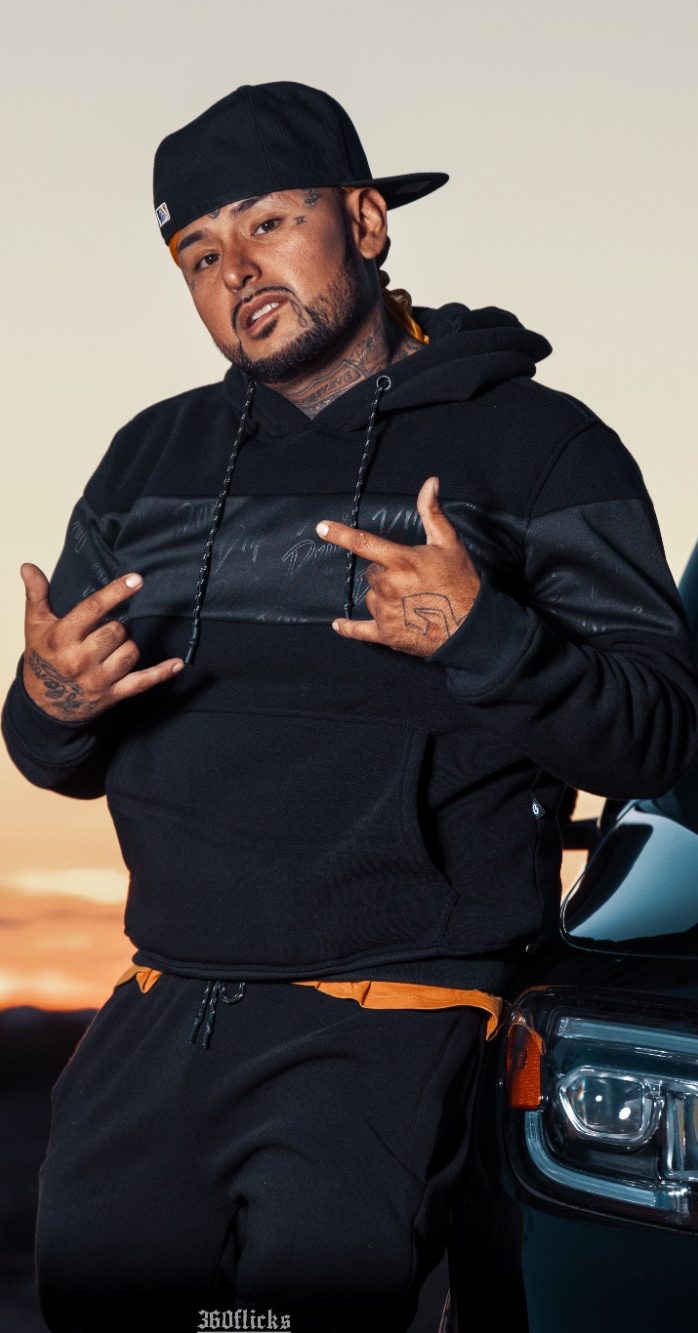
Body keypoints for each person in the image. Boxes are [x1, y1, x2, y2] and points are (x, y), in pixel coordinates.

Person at [3, 79, 698, 1333]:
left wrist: (483, 637)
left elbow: (658, 734)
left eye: (268, 223)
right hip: (162, 1009)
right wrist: (50, 703)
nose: (235, 272)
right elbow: (57, 751)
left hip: (393, 1012)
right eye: (197, 252)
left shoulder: (543, 449)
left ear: (366, 222)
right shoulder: (148, 459)